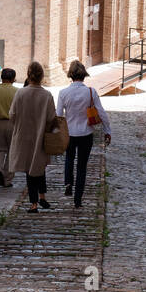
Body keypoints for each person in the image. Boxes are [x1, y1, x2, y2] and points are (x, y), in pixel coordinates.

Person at [56, 60, 111, 209]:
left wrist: (57, 133)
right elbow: (101, 113)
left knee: (69, 157)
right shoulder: (91, 92)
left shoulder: (63, 93)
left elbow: (59, 116)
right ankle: (78, 199)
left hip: (70, 133)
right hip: (86, 133)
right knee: (81, 166)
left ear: (70, 75)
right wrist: (107, 131)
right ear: (84, 75)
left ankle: (68, 182)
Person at [9, 61, 58, 213]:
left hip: (24, 136)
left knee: (30, 170)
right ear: (42, 76)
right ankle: (41, 197)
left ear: (28, 75)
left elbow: (12, 115)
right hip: (40, 136)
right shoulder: (47, 95)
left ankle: (34, 203)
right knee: (38, 166)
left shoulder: (20, 93)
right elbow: (51, 118)